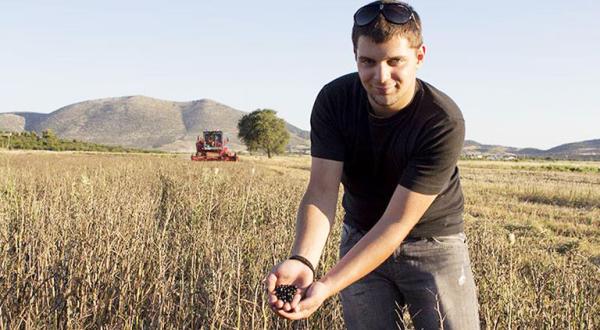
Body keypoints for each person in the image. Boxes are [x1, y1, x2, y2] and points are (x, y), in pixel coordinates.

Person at [264, 1, 480, 329]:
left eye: (396, 61)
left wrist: (327, 286)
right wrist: (303, 259)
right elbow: (321, 191)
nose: (381, 77)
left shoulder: (441, 120)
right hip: (359, 236)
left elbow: (395, 224)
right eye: (368, 61)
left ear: (419, 57)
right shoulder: (334, 101)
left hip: (433, 245)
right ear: (355, 56)